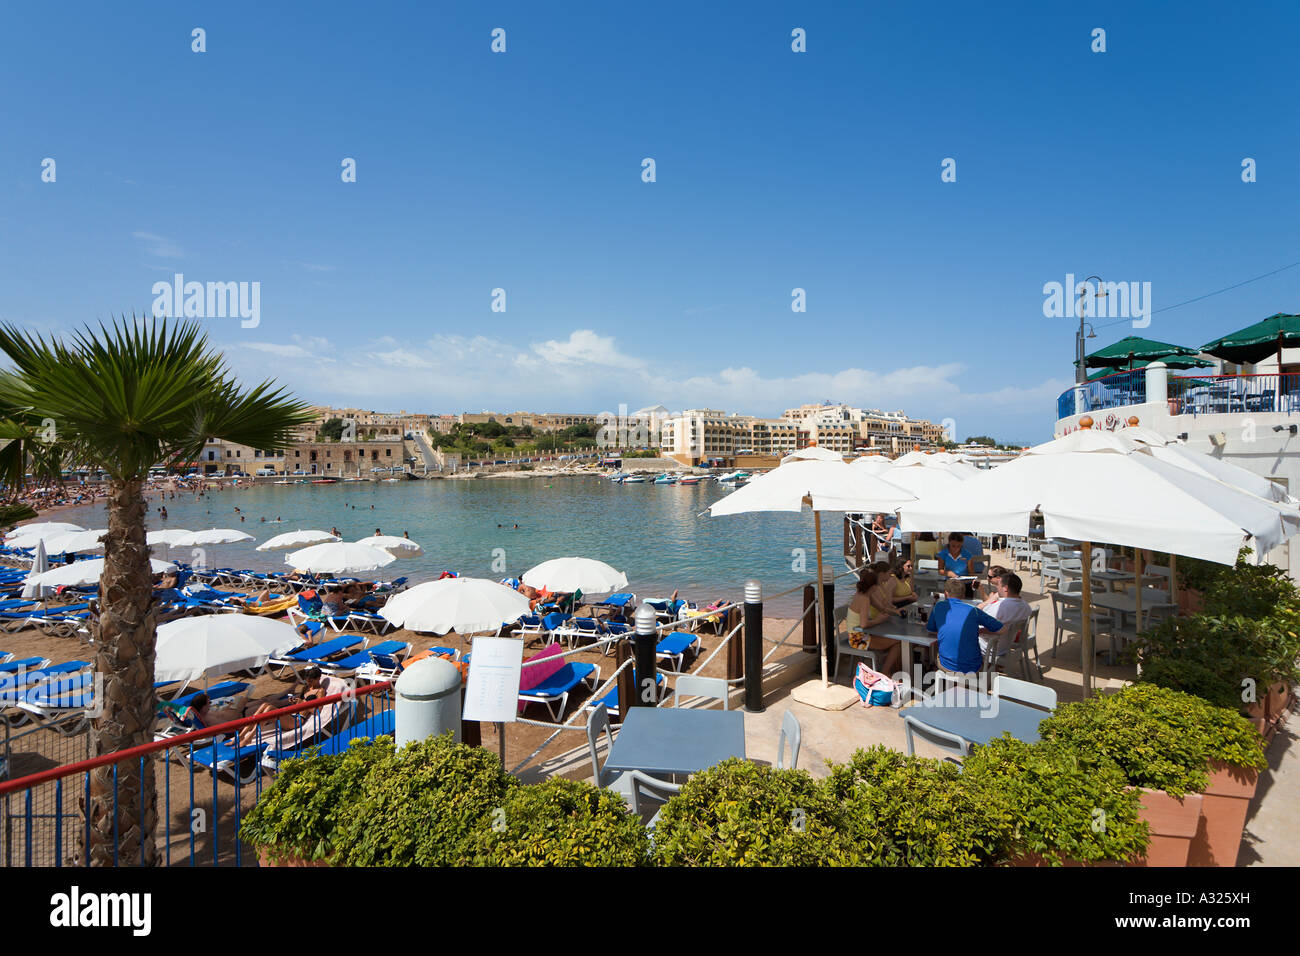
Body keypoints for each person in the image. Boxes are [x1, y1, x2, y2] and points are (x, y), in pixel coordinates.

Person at [926, 579, 1003, 675]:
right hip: (972, 667)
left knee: (936, 653)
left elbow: (930, 630)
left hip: (947, 666)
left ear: (946, 593)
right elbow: (1001, 629)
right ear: (963, 595)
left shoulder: (938, 606)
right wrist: (979, 630)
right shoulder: (974, 610)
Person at [848, 571, 903, 675]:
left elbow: (881, 608)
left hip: (860, 635)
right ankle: (885, 672)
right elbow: (864, 624)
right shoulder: (864, 599)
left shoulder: (864, 594)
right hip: (857, 639)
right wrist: (878, 620)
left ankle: (894, 669)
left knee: (896, 641)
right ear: (873, 586)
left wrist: (895, 612)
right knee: (898, 643)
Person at [978, 572, 1032, 667]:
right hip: (1005, 645)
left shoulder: (998, 608)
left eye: (998, 585)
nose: (996, 588)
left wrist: (990, 600)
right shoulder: (1026, 607)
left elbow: (979, 619)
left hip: (989, 647)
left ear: (1005, 588)